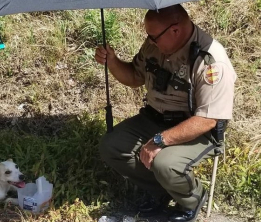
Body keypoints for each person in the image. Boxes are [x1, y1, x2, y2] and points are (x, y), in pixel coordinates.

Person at [94, 4, 236, 222]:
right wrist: (112, 62)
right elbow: (134, 77)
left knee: (165, 163)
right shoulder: (156, 45)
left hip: (195, 129)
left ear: (175, 30)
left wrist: (159, 141)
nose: (149, 41)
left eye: (153, 37)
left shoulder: (211, 60)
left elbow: (208, 119)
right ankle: (160, 189)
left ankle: (192, 199)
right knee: (112, 146)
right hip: (153, 118)